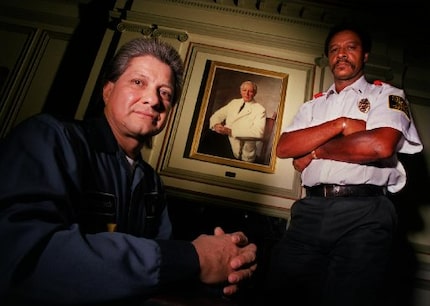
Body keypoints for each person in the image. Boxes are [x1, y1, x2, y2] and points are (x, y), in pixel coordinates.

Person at [0, 38, 257, 305]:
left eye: (165, 92)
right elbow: (19, 259)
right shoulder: (51, 138)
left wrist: (223, 268)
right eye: (138, 82)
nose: (153, 99)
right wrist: (191, 258)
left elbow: (152, 280)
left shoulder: (151, 183)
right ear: (108, 91)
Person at [264, 23, 423, 306]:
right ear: (328, 58)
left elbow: (379, 145)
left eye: (351, 47)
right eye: (335, 49)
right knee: (281, 293)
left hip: (364, 213)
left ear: (365, 56)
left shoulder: (386, 95)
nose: (342, 54)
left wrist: (317, 150)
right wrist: (343, 125)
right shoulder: (311, 107)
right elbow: (285, 147)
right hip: (310, 211)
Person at [201, 80, 266, 162]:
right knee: (209, 135)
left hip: (240, 148)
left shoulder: (260, 109)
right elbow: (218, 115)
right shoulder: (234, 102)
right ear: (240, 91)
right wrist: (216, 125)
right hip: (226, 139)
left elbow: (259, 133)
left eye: (250, 91)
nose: (247, 93)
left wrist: (231, 131)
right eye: (244, 90)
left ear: (255, 93)